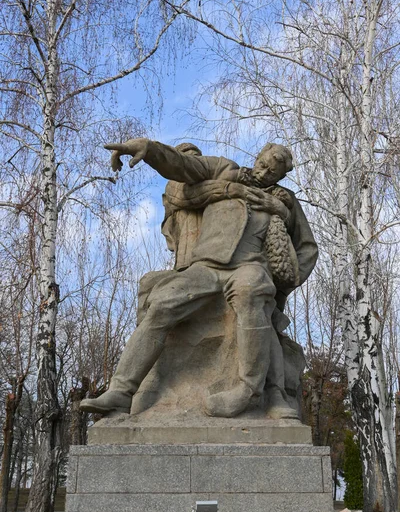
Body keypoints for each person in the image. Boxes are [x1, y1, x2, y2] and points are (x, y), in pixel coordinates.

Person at [80, 139, 317, 418]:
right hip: (205, 267)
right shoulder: (223, 170)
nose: (264, 173)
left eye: (272, 172)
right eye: (263, 165)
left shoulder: (284, 201)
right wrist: (150, 150)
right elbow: (185, 166)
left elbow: (307, 247)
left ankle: (251, 390)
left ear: (281, 176)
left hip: (250, 267)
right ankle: (121, 391)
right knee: (161, 304)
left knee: (254, 292)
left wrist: (287, 279)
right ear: (258, 156)